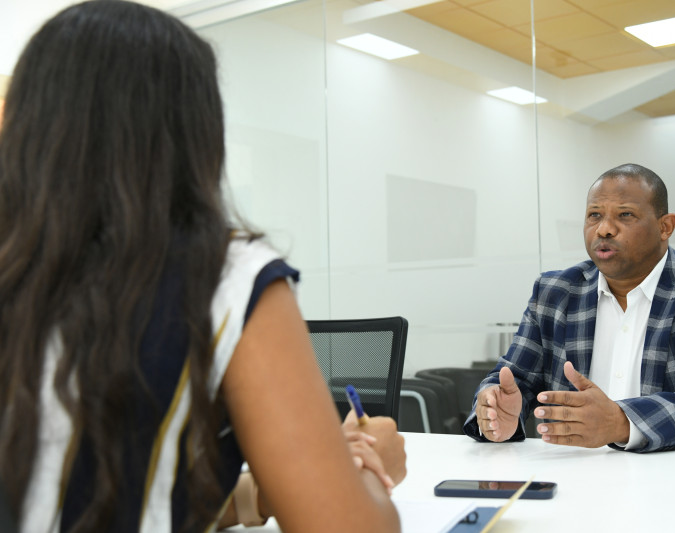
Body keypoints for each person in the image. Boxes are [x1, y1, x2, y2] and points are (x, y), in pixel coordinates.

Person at [0, 2, 404, 532]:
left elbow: (89, 485)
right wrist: (368, 471)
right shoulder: (222, 278)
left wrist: (266, 490)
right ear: (193, 138)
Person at [465, 163, 675, 452]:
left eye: (625, 215)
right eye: (594, 215)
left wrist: (624, 422)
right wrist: (496, 411)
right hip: (578, 479)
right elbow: (512, 378)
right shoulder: (556, 291)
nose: (605, 229)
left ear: (665, 226)